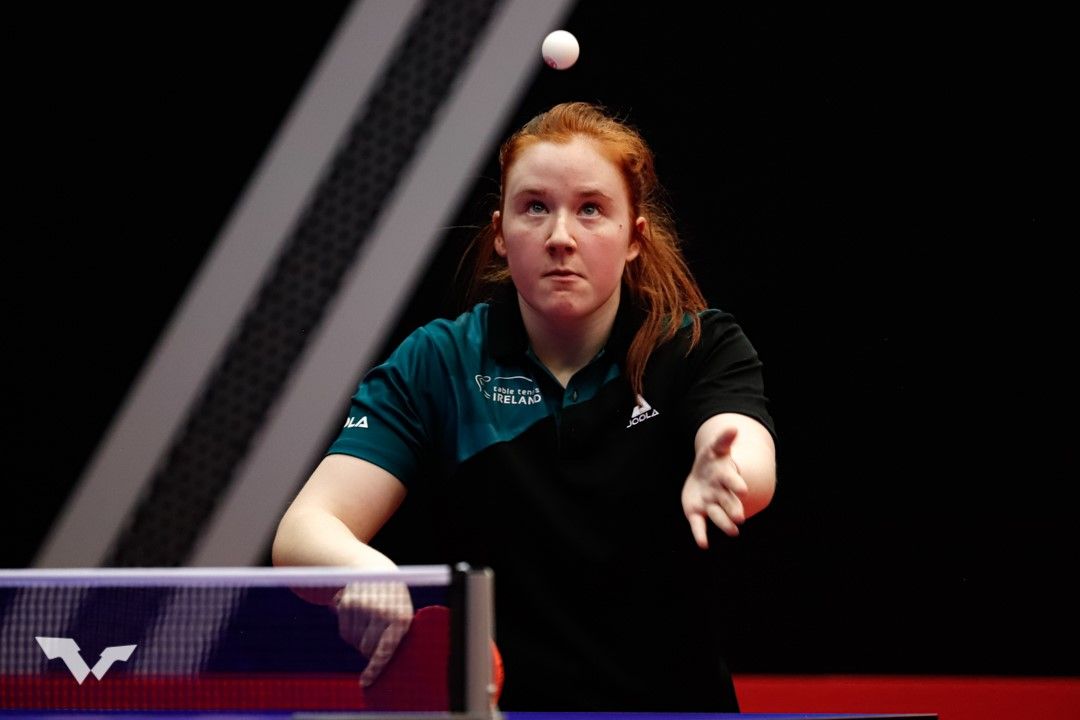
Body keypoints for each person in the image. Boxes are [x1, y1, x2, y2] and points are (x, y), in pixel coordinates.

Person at [272, 101, 776, 711]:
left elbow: (746, 456)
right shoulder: (440, 362)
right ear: (501, 235)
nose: (561, 237)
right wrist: (361, 569)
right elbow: (304, 530)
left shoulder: (697, 346)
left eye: (591, 209)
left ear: (634, 238)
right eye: (535, 207)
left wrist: (725, 471)